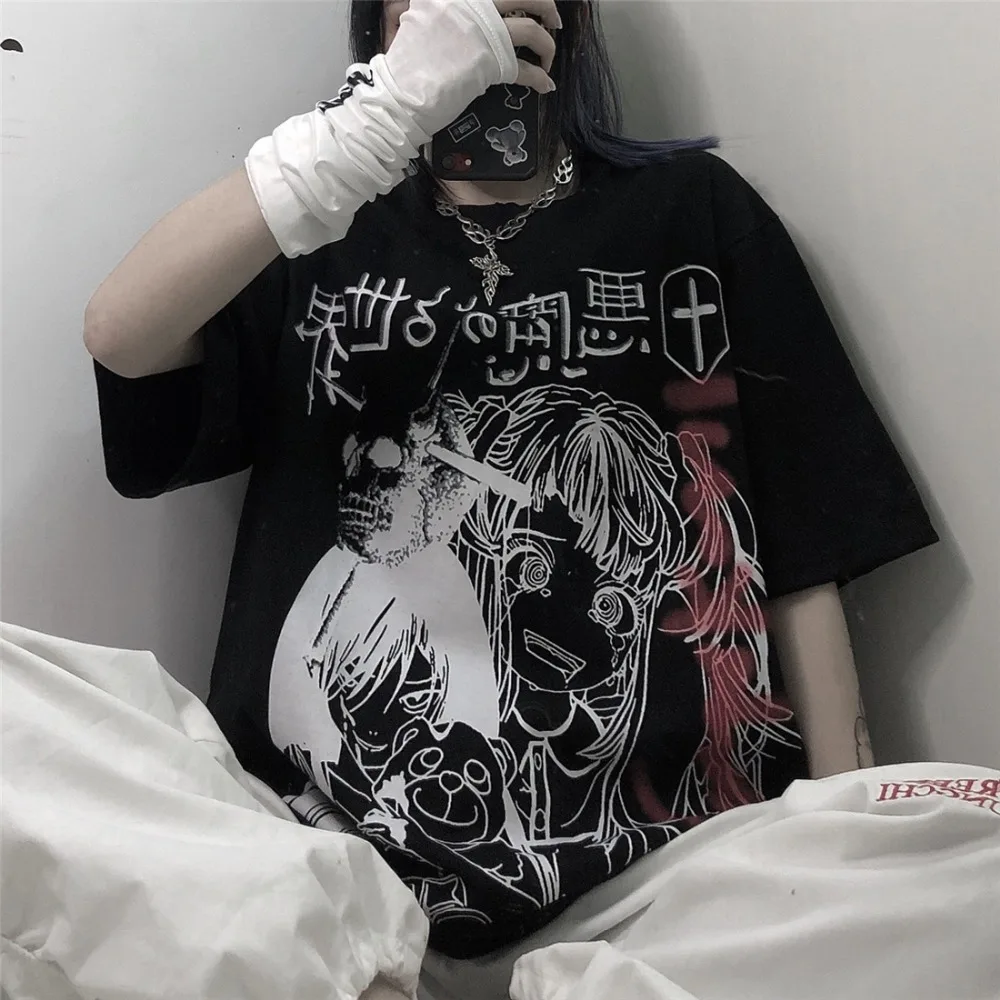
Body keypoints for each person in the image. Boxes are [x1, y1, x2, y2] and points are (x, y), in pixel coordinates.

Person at [82, 0, 939, 980]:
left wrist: (842, 845)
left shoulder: (693, 210)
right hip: (325, 872)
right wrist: (369, 128)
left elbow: (803, 551)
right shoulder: (315, 226)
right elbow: (120, 334)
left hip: (661, 886)